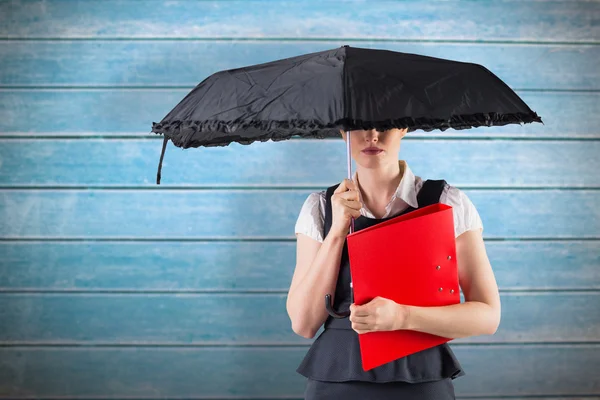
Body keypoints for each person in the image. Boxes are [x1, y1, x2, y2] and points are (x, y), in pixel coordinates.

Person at [286, 127, 501, 399]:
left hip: (421, 382)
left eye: (385, 123)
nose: (372, 135)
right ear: (343, 131)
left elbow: (488, 316)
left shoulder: (448, 202)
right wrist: (337, 230)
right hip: (335, 382)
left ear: (403, 127)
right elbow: (303, 324)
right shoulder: (320, 207)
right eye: (360, 124)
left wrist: (402, 317)